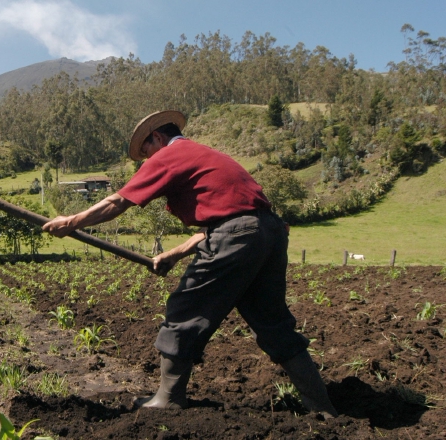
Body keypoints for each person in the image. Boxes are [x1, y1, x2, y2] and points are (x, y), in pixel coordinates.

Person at [42, 110, 338, 418]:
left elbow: (119, 201)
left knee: (185, 311)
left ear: (157, 137)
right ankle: (322, 407)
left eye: (146, 152)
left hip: (239, 235)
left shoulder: (172, 154)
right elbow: (227, 221)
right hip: (269, 232)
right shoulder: (207, 155)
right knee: (272, 321)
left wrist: (73, 222)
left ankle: (168, 398)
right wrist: (174, 254)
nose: (146, 161)